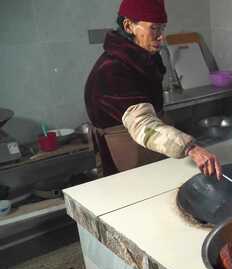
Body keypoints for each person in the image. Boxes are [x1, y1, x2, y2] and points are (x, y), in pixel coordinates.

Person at [84, 0, 222, 179]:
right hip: (126, 154)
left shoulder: (143, 57)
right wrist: (191, 148)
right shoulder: (112, 69)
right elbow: (143, 124)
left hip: (145, 150)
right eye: (154, 29)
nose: (161, 37)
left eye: (162, 29)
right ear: (128, 26)